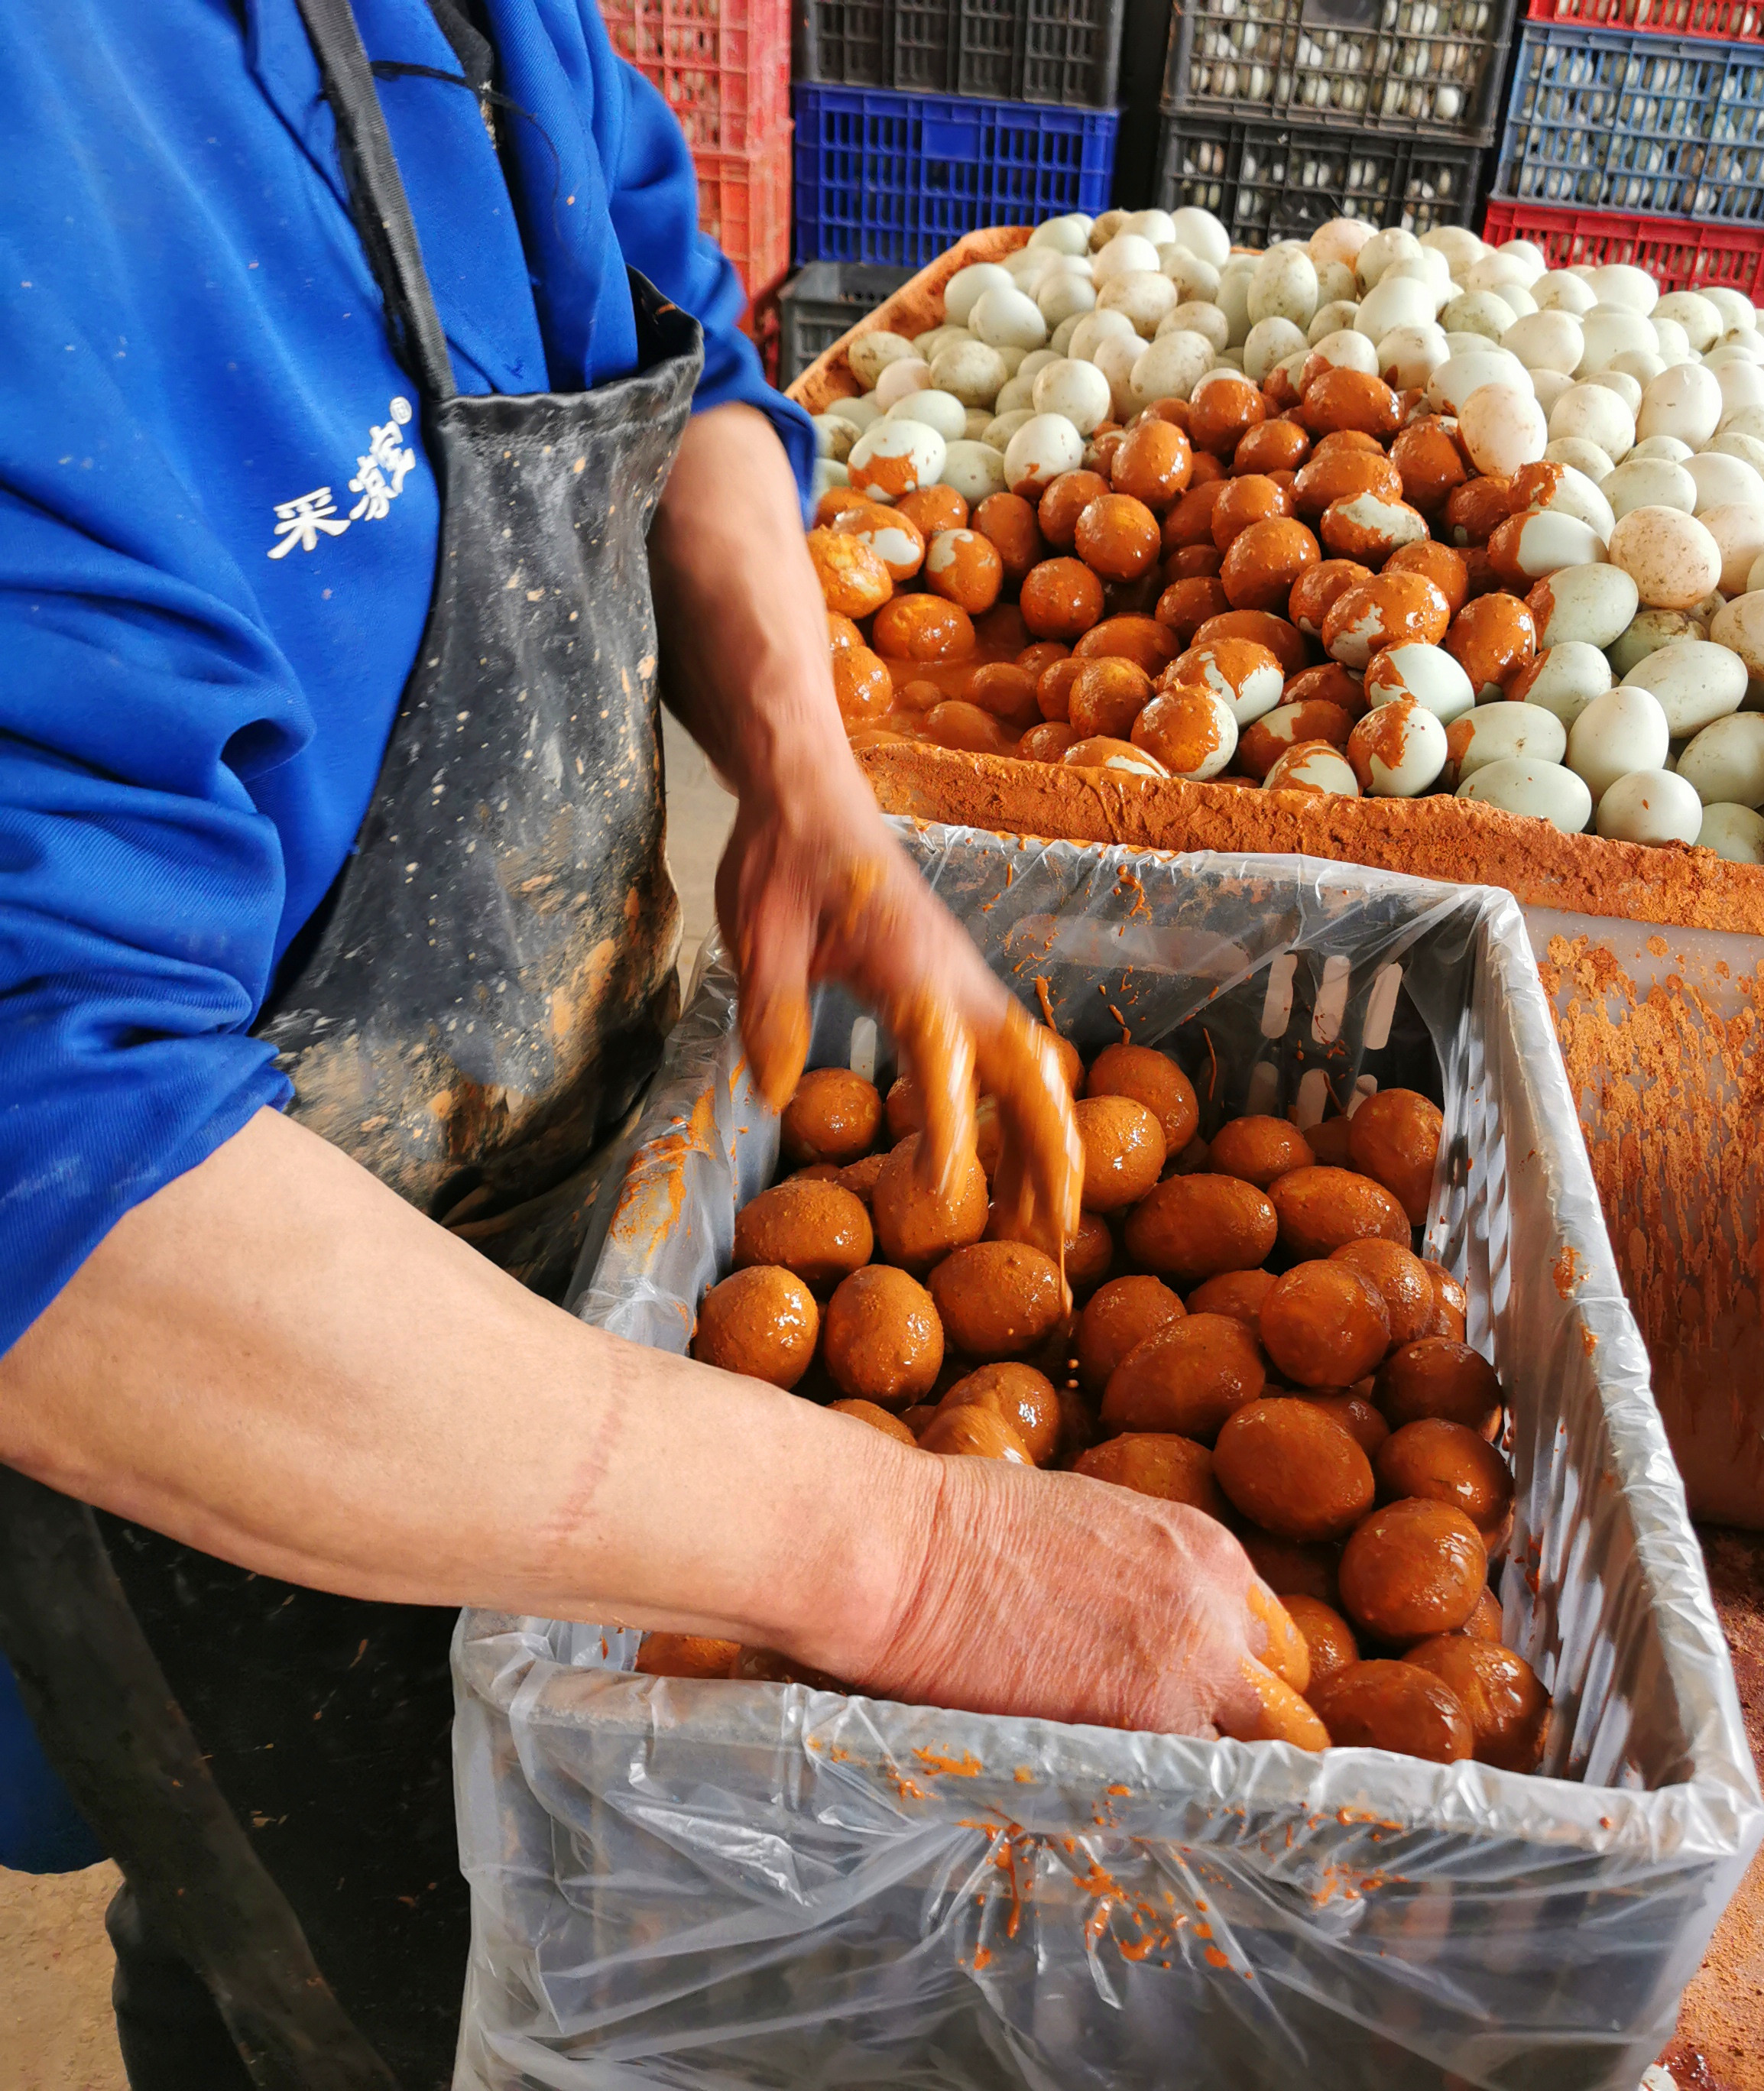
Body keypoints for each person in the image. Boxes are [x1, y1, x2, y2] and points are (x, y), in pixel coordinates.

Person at [0, 4, 1285, 2084]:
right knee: (357, 1985)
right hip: (200, 1408)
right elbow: (49, 1154)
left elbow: (671, 358)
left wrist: (802, 778)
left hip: (570, 1198)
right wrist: (913, 1554)